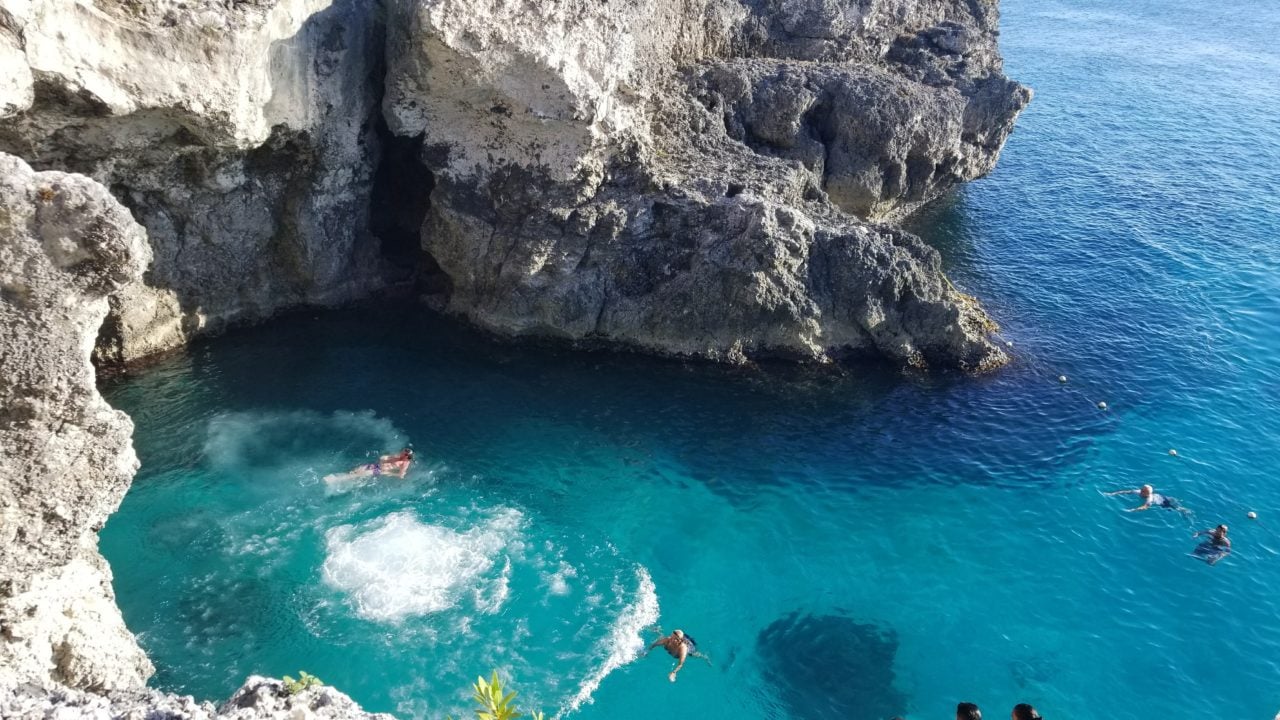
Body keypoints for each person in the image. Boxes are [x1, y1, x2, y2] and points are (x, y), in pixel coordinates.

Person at [330, 447, 414, 481]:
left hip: (379, 470)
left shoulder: (404, 464)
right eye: (402, 451)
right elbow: (385, 457)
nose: (401, 452)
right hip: (376, 465)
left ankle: (336, 479)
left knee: (358, 475)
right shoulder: (397, 456)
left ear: (406, 456)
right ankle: (344, 477)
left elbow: (401, 475)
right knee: (357, 469)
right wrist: (385, 457)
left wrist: (387, 473)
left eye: (403, 452)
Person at [1104, 484, 1188, 513]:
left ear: (1147, 493)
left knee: (1174, 508)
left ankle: (1183, 509)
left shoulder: (1149, 498)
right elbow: (1126, 492)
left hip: (1161, 501)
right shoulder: (1139, 491)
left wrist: (1133, 510)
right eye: (1141, 489)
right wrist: (1112, 494)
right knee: (1173, 501)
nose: (1141, 491)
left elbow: (1145, 507)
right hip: (1159, 495)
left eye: (1143, 491)